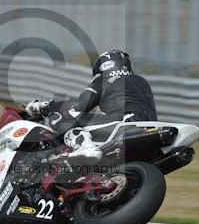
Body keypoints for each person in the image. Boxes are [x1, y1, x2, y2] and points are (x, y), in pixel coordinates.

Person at [26, 50, 157, 159]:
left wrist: (47, 106)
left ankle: (85, 148)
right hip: (149, 128)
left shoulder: (104, 79)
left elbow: (79, 105)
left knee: (61, 115)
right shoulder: (141, 81)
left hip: (124, 124)